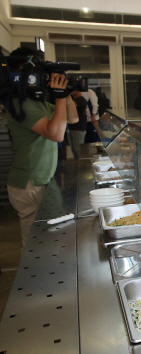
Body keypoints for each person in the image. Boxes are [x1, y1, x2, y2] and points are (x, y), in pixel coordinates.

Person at [6, 47, 78, 248]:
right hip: (29, 182)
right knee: (35, 244)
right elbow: (55, 133)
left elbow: (72, 118)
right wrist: (60, 97)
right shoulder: (22, 104)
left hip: (41, 179)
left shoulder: (37, 103)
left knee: (48, 239)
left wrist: (66, 92)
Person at [67, 90, 88, 159]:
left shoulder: (81, 99)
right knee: (73, 149)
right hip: (71, 127)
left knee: (78, 149)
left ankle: (82, 166)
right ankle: (78, 165)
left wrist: (66, 95)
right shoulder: (73, 99)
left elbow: (71, 105)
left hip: (79, 128)